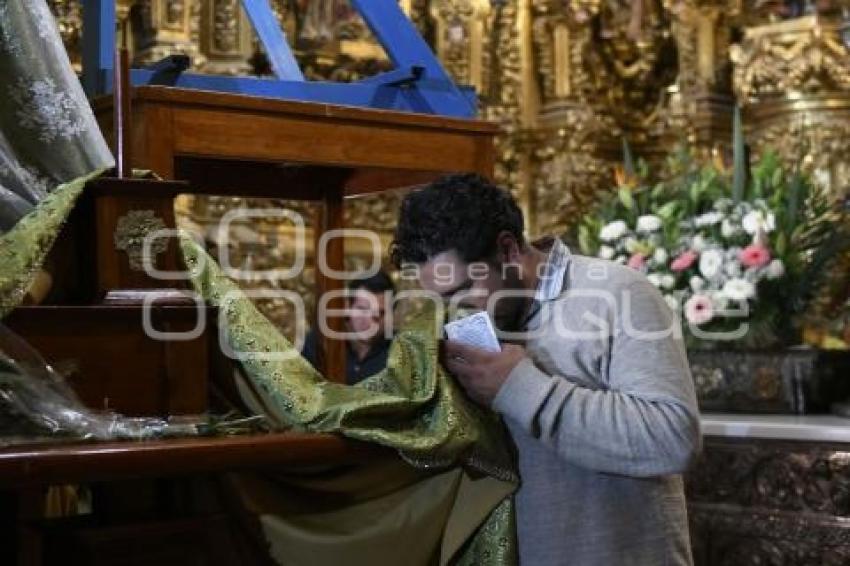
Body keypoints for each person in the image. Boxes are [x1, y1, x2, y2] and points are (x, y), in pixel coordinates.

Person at [389, 173, 701, 565]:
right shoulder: (475, 319)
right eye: (441, 298)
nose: (456, 310)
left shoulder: (618, 293)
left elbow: (672, 439)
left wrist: (517, 386)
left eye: (462, 290)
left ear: (507, 249)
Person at [301, 270, 395, 385]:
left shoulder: (400, 350)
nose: (370, 321)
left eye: (380, 313)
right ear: (348, 307)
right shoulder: (320, 342)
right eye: (363, 309)